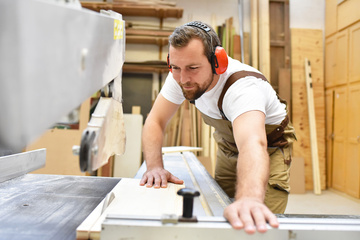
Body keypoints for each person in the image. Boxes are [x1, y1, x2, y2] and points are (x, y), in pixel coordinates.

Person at [139, 21, 296, 234]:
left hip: (267, 149)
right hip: (228, 148)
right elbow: (155, 121)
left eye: (193, 68)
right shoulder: (181, 75)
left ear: (217, 62)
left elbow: (252, 143)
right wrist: (154, 166)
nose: (183, 79)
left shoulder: (243, 87)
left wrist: (249, 198)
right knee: (217, 209)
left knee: (257, 225)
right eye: (175, 67)